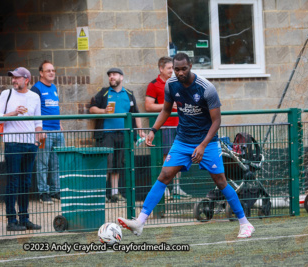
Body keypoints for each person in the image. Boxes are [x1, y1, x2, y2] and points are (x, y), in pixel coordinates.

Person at [117, 53, 255, 238]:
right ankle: (139, 222)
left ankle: (245, 223)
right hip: (182, 140)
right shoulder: (171, 85)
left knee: (221, 181)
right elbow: (166, 110)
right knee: (164, 175)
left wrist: (203, 145)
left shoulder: (207, 88)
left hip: (207, 142)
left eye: (184, 69)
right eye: (177, 69)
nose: (180, 73)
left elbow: (216, 121)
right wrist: (153, 130)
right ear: (173, 68)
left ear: (191, 66)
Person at [0, 67, 42, 231]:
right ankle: (11, 220)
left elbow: (38, 121)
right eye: (12, 78)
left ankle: (24, 218)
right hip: (13, 143)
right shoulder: (6, 94)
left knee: (26, 182)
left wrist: (37, 140)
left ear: (26, 79)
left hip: (30, 144)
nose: (13, 80)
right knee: (13, 181)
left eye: (17, 78)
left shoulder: (35, 96)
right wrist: (13, 113)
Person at [90, 68, 145, 203]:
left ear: (121, 77)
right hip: (106, 134)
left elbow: (136, 113)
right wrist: (103, 110)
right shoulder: (103, 93)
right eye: (109, 75)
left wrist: (140, 130)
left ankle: (115, 193)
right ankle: (101, 195)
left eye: (114, 75)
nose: (111, 77)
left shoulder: (129, 94)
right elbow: (92, 109)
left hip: (124, 134)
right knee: (105, 163)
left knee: (118, 164)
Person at [145, 56, 189, 199]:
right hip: (165, 127)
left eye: (173, 68)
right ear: (161, 69)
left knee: (180, 156)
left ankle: (177, 187)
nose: (172, 71)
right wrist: (168, 106)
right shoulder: (153, 85)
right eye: (170, 68)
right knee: (167, 157)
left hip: (181, 125)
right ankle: (165, 189)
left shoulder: (178, 83)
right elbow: (148, 106)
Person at [31, 60, 65, 204]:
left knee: (57, 163)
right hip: (44, 131)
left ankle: (55, 190)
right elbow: (33, 111)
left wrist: (60, 124)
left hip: (57, 131)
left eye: (53, 70)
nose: (51, 73)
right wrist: (38, 131)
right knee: (43, 163)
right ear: (41, 73)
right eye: (48, 70)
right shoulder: (36, 89)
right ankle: (43, 192)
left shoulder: (54, 87)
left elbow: (55, 107)